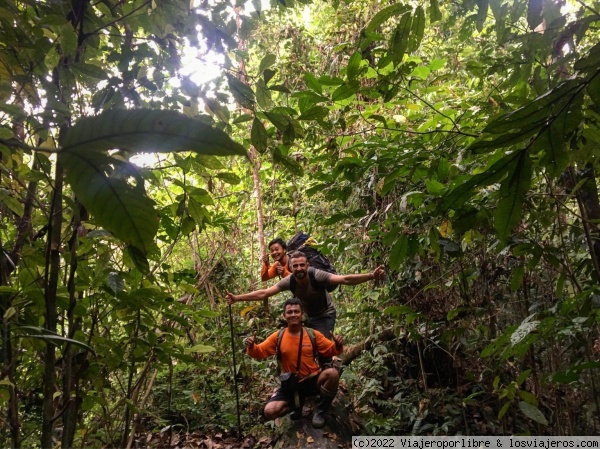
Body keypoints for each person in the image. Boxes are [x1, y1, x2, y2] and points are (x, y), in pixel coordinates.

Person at [227, 251, 386, 339]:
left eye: (302, 265)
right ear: (291, 267)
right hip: (307, 316)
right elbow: (264, 293)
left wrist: (371, 276)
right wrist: (237, 298)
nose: (299, 269)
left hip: (325, 314)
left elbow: (344, 279)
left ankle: (329, 372)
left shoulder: (316, 275)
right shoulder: (289, 281)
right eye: (295, 266)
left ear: (307, 265)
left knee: (322, 344)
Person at [245, 297, 343, 428]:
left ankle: (320, 411)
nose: (293, 315)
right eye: (289, 312)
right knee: (269, 411)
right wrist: (251, 346)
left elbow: (330, 350)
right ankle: (296, 405)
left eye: (296, 311)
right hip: (291, 384)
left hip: (312, 379)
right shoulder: (278, 336)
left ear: (302, 314)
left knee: (332, 374)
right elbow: (259, 351)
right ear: (284, 315)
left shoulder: (312, 334)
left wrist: (337, 344)